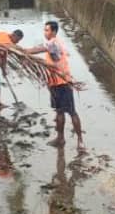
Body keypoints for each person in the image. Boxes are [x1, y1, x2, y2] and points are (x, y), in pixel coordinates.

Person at [25, 21, 84, 151]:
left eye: (47, 30)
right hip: (54, 83)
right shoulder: (52, 43)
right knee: (59, 111)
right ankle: (60, 138)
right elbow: (42, 47)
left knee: (72, 112)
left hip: (63, 83)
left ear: (54, 32)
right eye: (44, 30)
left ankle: (80, 141)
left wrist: (24, 51)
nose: (45, 32)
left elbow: (39, 49)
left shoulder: (54, 43)